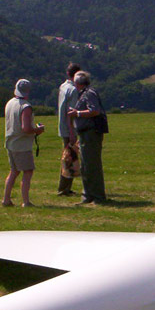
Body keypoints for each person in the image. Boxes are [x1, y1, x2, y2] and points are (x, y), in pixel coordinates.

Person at [3, 79, 45, 207]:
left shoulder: (10, 103)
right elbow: (26, 128)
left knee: (14, 171)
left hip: (10, 143)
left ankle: (6, 199)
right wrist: (38, 130)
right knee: (28, 171)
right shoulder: (26, 107)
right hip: (22, 145)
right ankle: (26, 201)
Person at [68, 70, 107, 204]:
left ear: (78, 83)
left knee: (92, 165)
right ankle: (88, 195)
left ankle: (97, 196)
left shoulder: (89, 93)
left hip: (91, 132)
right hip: (85, 133)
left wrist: (77, 113)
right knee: (85, 165)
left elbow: (94, 110)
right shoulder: (84, 93)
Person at [56, 63, 82, 196]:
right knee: (69, 158)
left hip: (62, 126)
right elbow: (70, 113)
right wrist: (72, 132)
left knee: (67, 156)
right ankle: (64, 188)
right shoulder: (73, 90)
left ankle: (65, 187)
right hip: (69, 128)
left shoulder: (63, 86)